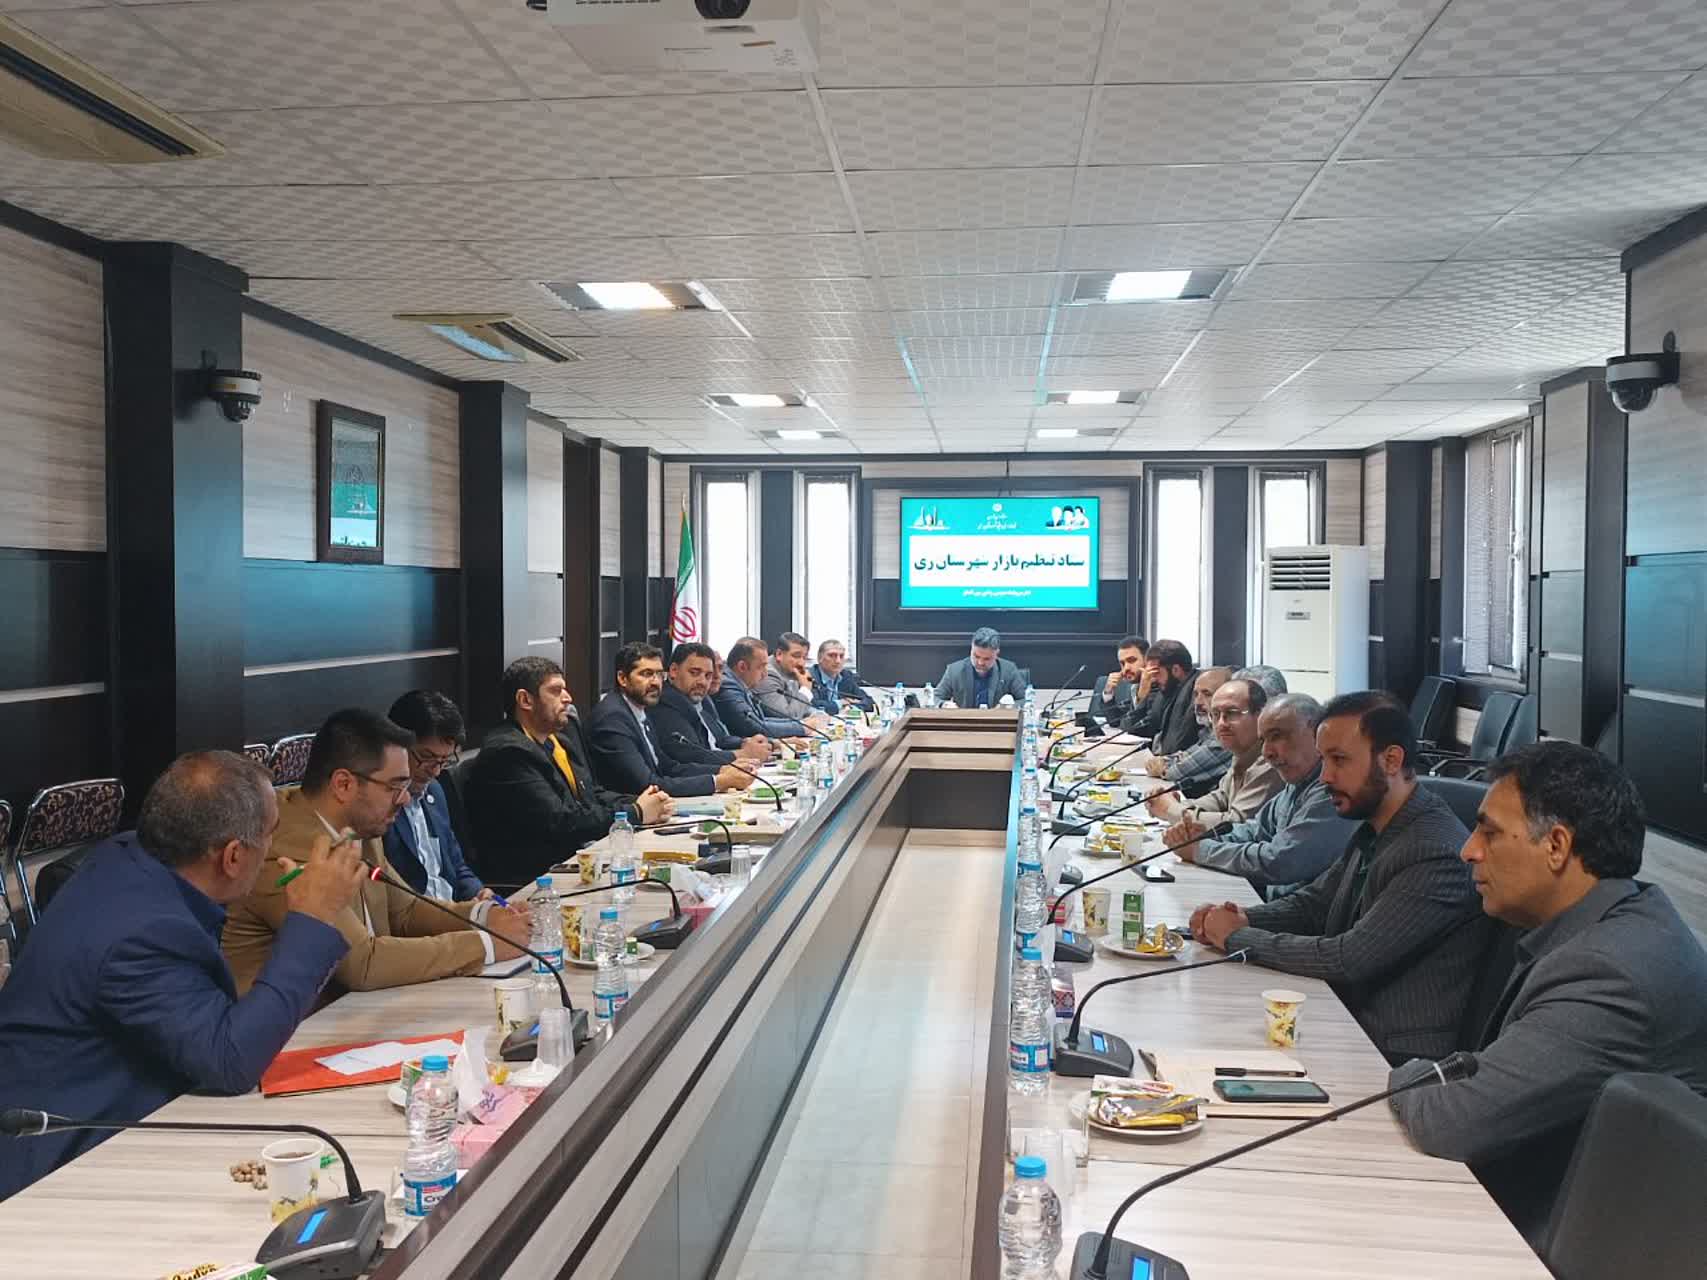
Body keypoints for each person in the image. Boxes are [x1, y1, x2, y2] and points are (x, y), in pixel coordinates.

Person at [0, 752, 362, 1200]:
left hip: (128, 1130)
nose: (274, 847)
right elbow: (230, 1061)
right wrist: (313, 918)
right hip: (54, 1171)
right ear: (233, 856)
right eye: (271, 834)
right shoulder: (140, 932)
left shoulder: (129, 860)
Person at [1389, 742, 1707, 1247]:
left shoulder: (1609, 971)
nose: (1468, 849)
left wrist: (1401, 1072)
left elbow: (1454, 1120)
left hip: (1563, 1244)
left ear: (1556, 845)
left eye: (1489, 831)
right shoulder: (1610, 921)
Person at [1191, 691, 1489, 1063]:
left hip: (1389, 1052)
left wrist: (1237, 936)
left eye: (1339, 760)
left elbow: (1349, 957)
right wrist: (1243, 917)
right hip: (1343, 1016)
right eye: (1324, 759)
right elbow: (1315, 905)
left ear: (1391, 760)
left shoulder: (1433, 850)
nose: (1326, 776)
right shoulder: (1378, 825)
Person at [223, 709, 533, 995]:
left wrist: (485, 916)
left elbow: (406, 912)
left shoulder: (360, 829)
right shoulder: (283, 852)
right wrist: (486, 945)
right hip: (299, 1028)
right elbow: (362, 964)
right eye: (394, 787)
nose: (405, 799)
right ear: (343, 785)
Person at [464, 657, 674, 888]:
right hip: (535, 880)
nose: (568, 698)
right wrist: (635, 813)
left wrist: (646, 802)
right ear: (525, 700)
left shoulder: (558, 741)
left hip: (576, 861)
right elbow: (561, 821)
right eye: (556, 691)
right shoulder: (508, 753)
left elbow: (592, 794)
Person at [1178, 692, 1358, 898]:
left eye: (1277, 736)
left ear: (1315, 732)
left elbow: (1281, 861)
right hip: (1276, 908)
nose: (1266, 752)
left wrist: (1200, 850)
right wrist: (1206, 837)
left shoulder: (1331, 791)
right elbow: (1255, 831)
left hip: (1291, 913)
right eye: (1263, 740)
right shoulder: (1296, 783)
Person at [588, 642, 755, 797]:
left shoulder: (638, 710)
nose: (655, 682)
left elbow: (667, 767)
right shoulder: (613, 719)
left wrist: (722, 770)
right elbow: (646, 784)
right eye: (647, 674)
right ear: (622, 678)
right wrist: (718, 782)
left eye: (659, 674)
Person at [382, 689, 487, 902]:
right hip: (418, 917)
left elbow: (456, 865)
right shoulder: (379, 802)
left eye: (444, 761)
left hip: (455, 912)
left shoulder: (435, 791)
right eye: (426, 757)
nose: (435, 771)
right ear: (395, 745)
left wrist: (481, 894)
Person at [1151, 678, 1283, 832]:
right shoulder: (1241, 752)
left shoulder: (1271, 761)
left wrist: (1171, 810)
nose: (1221, 723)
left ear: (1260, 716)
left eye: (1232, 713)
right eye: (1215, 714)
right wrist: (1178, 805)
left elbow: (1238, 823)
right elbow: (1221, 798)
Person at [654, 642, 768, 770]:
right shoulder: (666, 703)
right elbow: (691, 756)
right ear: (674, 671)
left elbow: (720, 739)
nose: (702, 682)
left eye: (708, 675)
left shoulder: (703, 699)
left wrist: (746, 743)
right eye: (694, 673)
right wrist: (741, 754)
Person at [1141, 665, 1231, 798]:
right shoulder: (1208, 731)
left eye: (1207, 694)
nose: (1198, 702)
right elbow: (1185, 755)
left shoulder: (1227, 736)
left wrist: (1162, 767)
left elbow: (1177, 772)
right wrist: (1163, 761)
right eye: (1196, 694)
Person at [715, 637, 823, 740]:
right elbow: (752, 727)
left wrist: (801, 725)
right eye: (761, 667)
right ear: (742, 667)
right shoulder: (728, 685)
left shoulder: (739, 683)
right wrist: (802, 728)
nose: (765, 674)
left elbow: (760, 719)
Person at [1127, 639, 1199, 753]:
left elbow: (1177, 744)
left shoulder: (1196, 690)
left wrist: (1163, 761)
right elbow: (1136, 729)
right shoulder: (1166, 692)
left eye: (1156, 673)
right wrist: (1142, 695)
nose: (1152, 679)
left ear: (1176, 670)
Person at [934, 626, 1028, 709]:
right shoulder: (954, 670)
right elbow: (935, 698)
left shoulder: (1009, 670)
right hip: (965, 721)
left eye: (987, 659)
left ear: (996, 654)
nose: (980, 662)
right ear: (971, 649)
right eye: (976, 656)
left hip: (996, 722)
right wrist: (944, 705)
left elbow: (1025, 700)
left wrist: (1010, 707)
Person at [755, 631, 818, 721]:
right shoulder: (767, 674)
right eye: (796, 656)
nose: (801, 663)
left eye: (804, 657)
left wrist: (817, 714)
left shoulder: (791, 671)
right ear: (779, 654)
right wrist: (806, 689)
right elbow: (787, 716)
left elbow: (799, 706)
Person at [1086, 635, 1148, 723]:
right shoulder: (1135, 687)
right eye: (1122, 663)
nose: (1126, 668)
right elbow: (1116, 721)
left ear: (1147, 660)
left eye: (1132, 660)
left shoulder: (1158, 689)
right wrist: (1108, 692)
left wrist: (1142, 697)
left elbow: (1136, 726)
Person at [810, 638, 875, 714]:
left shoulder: (846, 676)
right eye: (832, 655)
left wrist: (850, 707)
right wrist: (840, 703)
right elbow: (811, 706)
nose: (838, 661)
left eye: (841, 656)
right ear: (819, 658)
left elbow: (869, 702)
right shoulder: (810, 677)